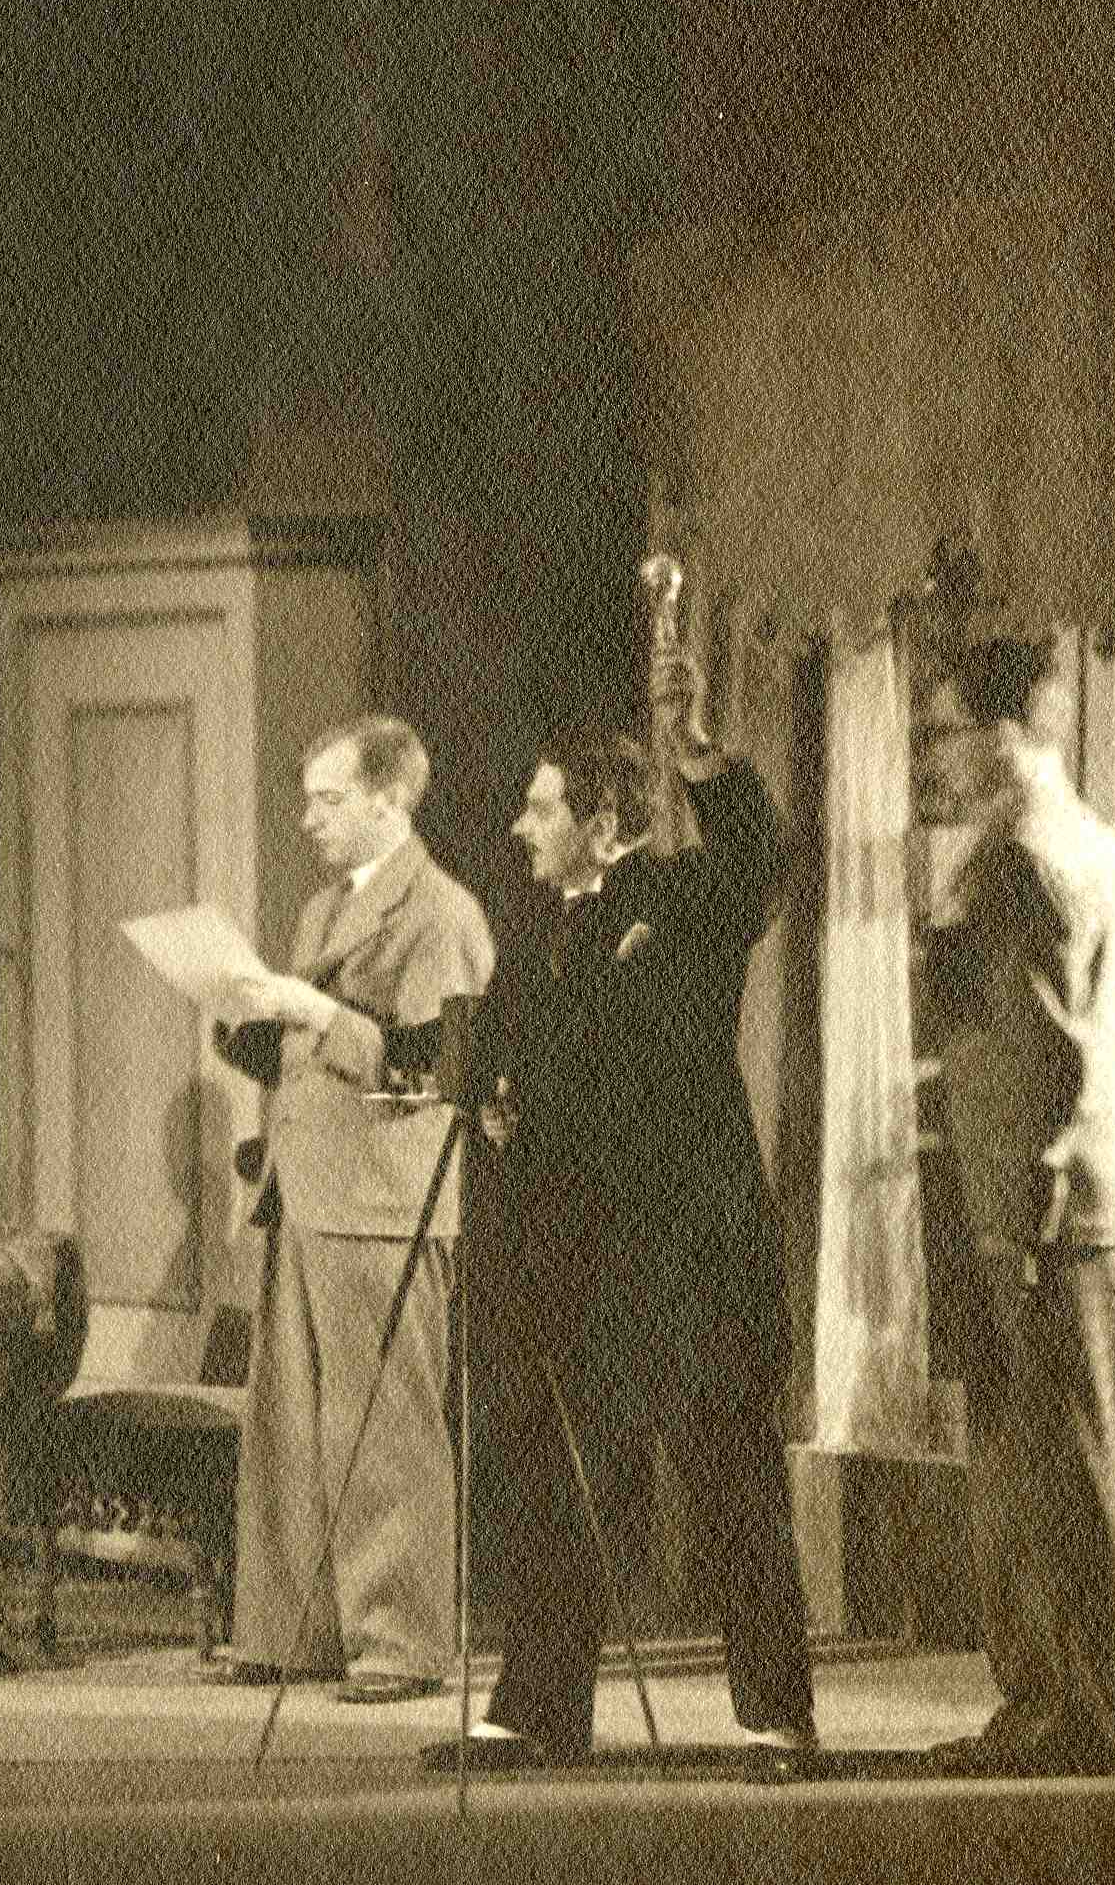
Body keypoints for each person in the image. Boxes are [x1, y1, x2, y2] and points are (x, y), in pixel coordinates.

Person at [447, 680, 818, 1782]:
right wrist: (489, 1097)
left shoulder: (681, 895)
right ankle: (538, 1709)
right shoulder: (534, 931)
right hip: (583, 1259)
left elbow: (759, 858)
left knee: (729, 1481)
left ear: (601, 822)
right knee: (565, 1479)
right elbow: (514, 1052)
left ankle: (778, 1719)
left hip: (694, 1254)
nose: (520, 825)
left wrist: (701, 759)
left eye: (540, 806)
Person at [918, 631, 1115, 1779]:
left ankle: (1063, 1713)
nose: (932, 753)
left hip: (1027, 1211)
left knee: (1043, 1470)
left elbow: (1041, 1055)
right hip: (1091, 1202)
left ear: (1008, 733)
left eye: (945, 730)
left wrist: (1023, 1210)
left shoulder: (1016, 863)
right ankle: (1075, 1707)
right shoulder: (1114, 857)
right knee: (1084, 1465)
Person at [211, 714, 495, 1704]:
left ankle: (400, 1639)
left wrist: (319, 1014)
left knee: (385, 1423)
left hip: (383, 1198)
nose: (308, 819)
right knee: (289, 1422)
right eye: (308, 799)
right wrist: (250, 1020)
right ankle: (290, 1629)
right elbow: (309, 1053)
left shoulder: (440, 913)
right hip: (307, 1186)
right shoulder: (322, 909)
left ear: (390, 798)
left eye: (328, 800)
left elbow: (434, 1070)